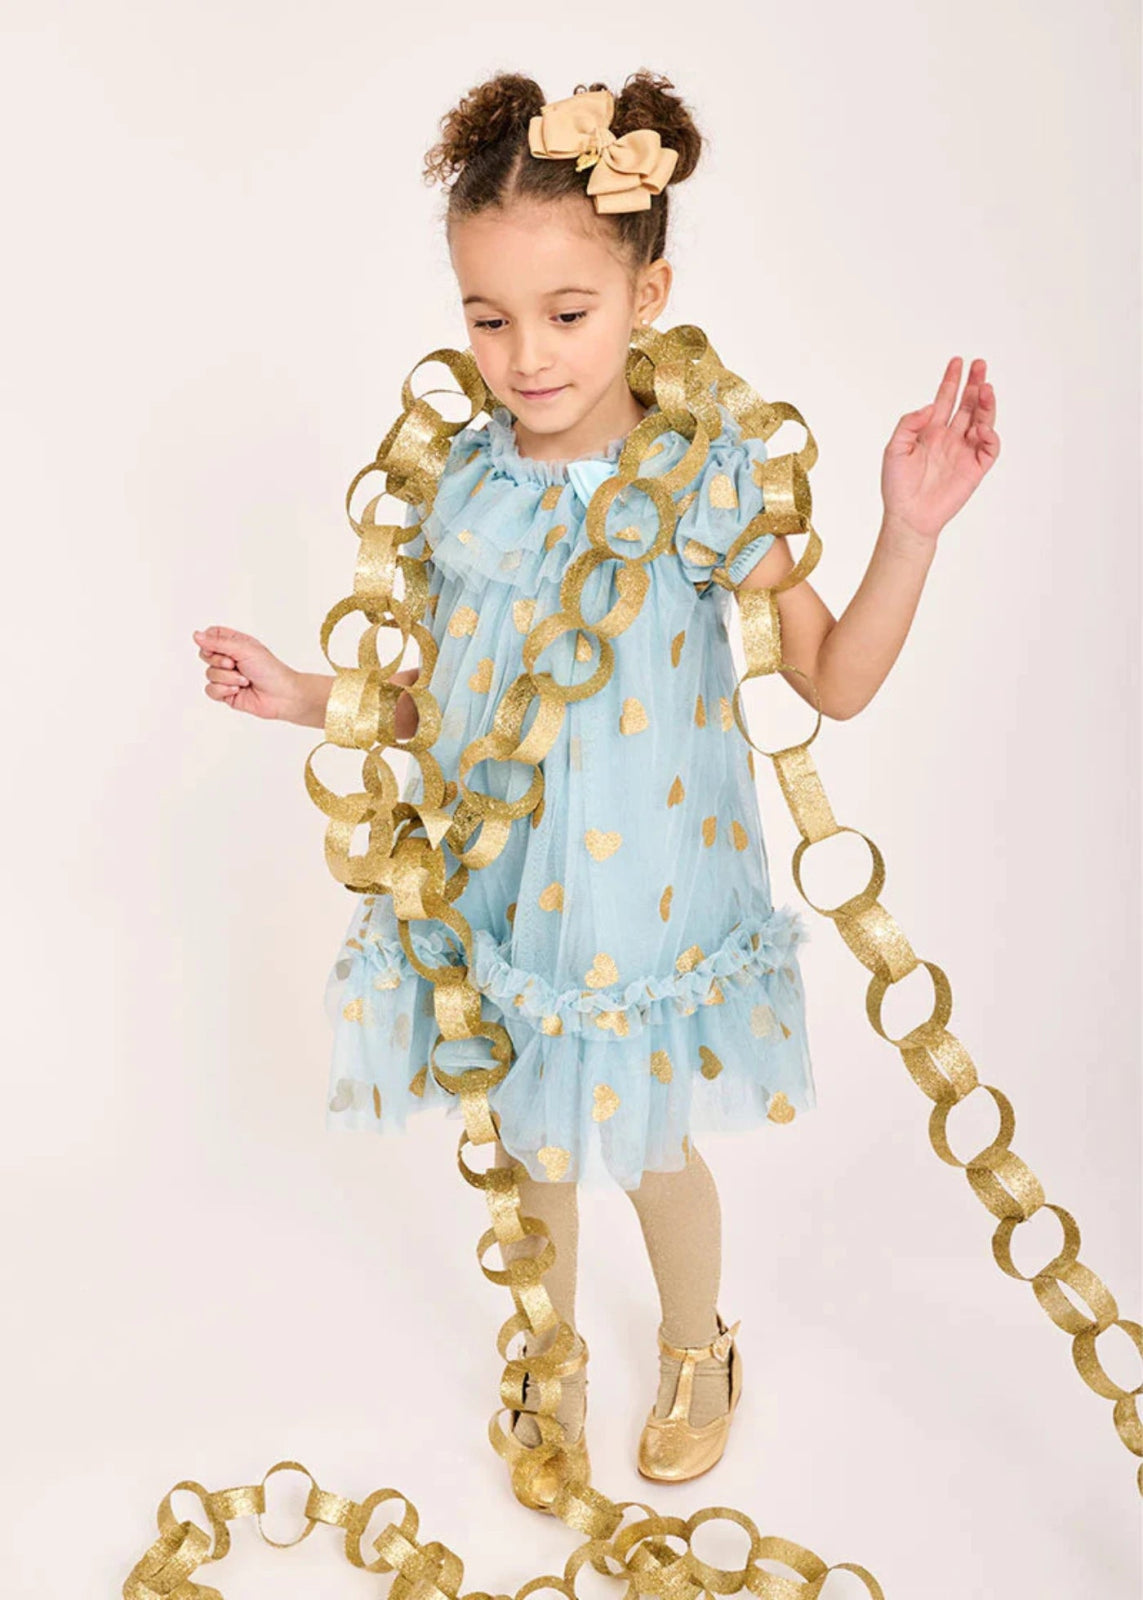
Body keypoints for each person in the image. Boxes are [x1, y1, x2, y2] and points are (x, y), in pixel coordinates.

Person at [191, 70, 999, 1499]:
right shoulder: (467, 487)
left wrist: (909, 532)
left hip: (645, 890)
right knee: (530, 1142)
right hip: (507, 879)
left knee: (646, 1142)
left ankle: (699, 1345)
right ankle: (548, 1349)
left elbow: (834, 679)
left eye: (566, 314)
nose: (527, 355)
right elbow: (457, 703)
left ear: (648, 293)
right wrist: (309, 696)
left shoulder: (697, 480)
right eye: (488, 318)